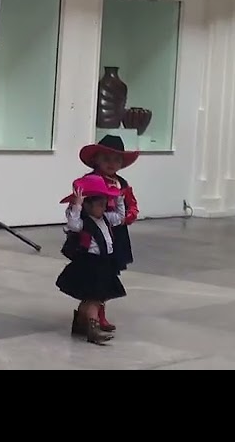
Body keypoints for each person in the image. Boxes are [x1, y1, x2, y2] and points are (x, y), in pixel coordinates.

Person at [71, 135, 140, 333]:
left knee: (109, 275)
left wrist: (128, 215)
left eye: (117, 160)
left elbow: (131, 204)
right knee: (95, 276)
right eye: (107, 159)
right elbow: (79, 205)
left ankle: (98, 314)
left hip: (116, 234)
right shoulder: (90, 181)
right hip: (94, 234)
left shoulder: (122, 183)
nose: (112, 164)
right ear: (96, 160)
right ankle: (90, 315)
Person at [56, 175, 127, 346]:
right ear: (87, 205)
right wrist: (77, 205)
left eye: (105, 203)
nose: (104, 207)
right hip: (89, 265)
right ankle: (92, 329)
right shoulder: (83, 222)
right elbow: (72, 224)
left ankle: (80, 323)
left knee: (91, 298)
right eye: (100, 204)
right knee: (95, 298)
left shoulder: (106, 218)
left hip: (104, 264)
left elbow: (120, 216)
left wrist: (118, 199)